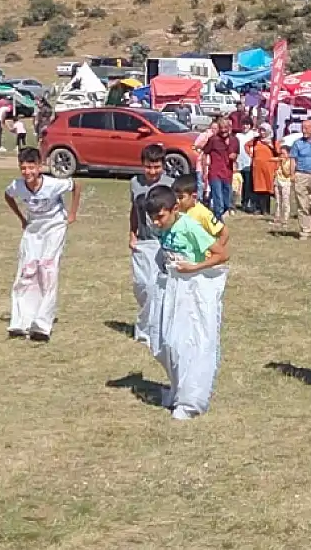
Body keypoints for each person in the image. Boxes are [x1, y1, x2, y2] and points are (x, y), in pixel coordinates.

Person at [145, 185, 230, 420]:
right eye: (152, 218)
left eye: (160, 216)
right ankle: (176, 389)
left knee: (188, 343)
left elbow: (221, 254)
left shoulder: (189, 226)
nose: (156, 222)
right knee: (164, 343)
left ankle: (191, 400)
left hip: (192, 289)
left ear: (174, 209)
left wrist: (194, 267)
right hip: (170, 286)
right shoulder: (163, 227)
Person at [4, 147, 81, 341]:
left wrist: (71, 213)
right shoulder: (18, 185)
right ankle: (20, 320)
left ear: (40, 166)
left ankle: (42, 324)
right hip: (33, 229)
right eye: (23, 168)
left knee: (48, 269)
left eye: (32, 167)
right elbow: (8, 195)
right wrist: (21, 218)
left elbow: (75, 186)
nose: (28, 172)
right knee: (27, 271)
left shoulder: (53, 184)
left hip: (54, 227)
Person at [129, 144, 176, 347]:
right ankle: (147, 322)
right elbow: (134, 211)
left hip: (163, 241)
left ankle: (153, 328)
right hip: (144, 240)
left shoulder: (170, 184)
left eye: (157, 167)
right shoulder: (135, 184)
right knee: (142, 285)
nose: (153, 171)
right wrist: (132, 234)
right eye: (148, 167)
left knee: (159, 286)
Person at [173, 173, 230, 255]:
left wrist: (213, 253)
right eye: (176, 197)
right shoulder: (176, 210)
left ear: (194, 196)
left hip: (201, 261)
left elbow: (224, 232)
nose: (177, 201)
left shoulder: (203, 213)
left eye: (181, 197)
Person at [199, 118, 239, 221]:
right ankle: (218, 220)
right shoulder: (213, 140)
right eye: (221, 128)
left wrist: (234, 157)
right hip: (215, 172)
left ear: (229, 128)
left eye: (226, 128)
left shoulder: (234, 140)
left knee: (226, 201)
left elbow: (236, 155)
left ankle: (223, 212)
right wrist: (204, 171)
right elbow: (204, 154)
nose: (224, 131)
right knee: (218, 199)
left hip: (227, 173)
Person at [247, 130, 280, 216]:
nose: (262, 133)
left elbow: (279, 153)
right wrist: (250, 153)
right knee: (258, 188)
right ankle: (258, 209)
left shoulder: (273, 141)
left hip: (269, 168)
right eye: (261, 130)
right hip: (257, 168)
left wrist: (271, 146)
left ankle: (266, 210)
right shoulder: (255, 140)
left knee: (267, 189)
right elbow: (246, 145)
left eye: (264, 131)